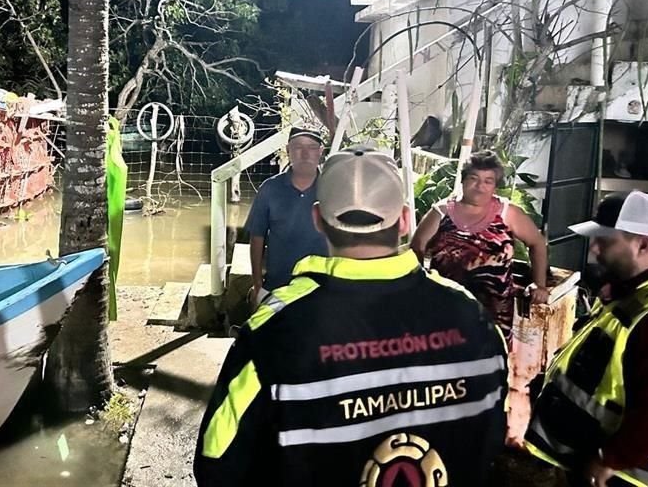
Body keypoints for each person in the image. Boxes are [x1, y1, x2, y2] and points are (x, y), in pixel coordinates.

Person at [195, 146, 509, 486]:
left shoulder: (274, 330)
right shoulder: (473, 317)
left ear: (317, 219)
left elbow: (217, 462)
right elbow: (492, 435)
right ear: (404, 220)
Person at [525, 191, 648, 487]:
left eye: (605, 241)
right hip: (596, 458)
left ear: (642, 244)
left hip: (623, 475)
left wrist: (608, 459)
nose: (595, 251)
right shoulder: (639, 287)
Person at [411, 150, 549, 334]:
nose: (480, 186)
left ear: (495, 186)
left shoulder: (508, 213)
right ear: (463, 179)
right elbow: (416, 247)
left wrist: (538, 284)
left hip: (495, 316)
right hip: (445, 312)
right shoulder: (441, 212)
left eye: (488, 181)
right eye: (473, 178)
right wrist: (420, 286)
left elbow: (537, 243)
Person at [244, 127, 328, 296]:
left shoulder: (334, 189)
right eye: (297, 147)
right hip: (277, 286)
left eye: (311, 148)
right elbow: (257, 236)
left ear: (321, 152)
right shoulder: (269, 188)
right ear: (288, 150)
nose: (304, 154)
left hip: (322, 288)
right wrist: (257, 283)